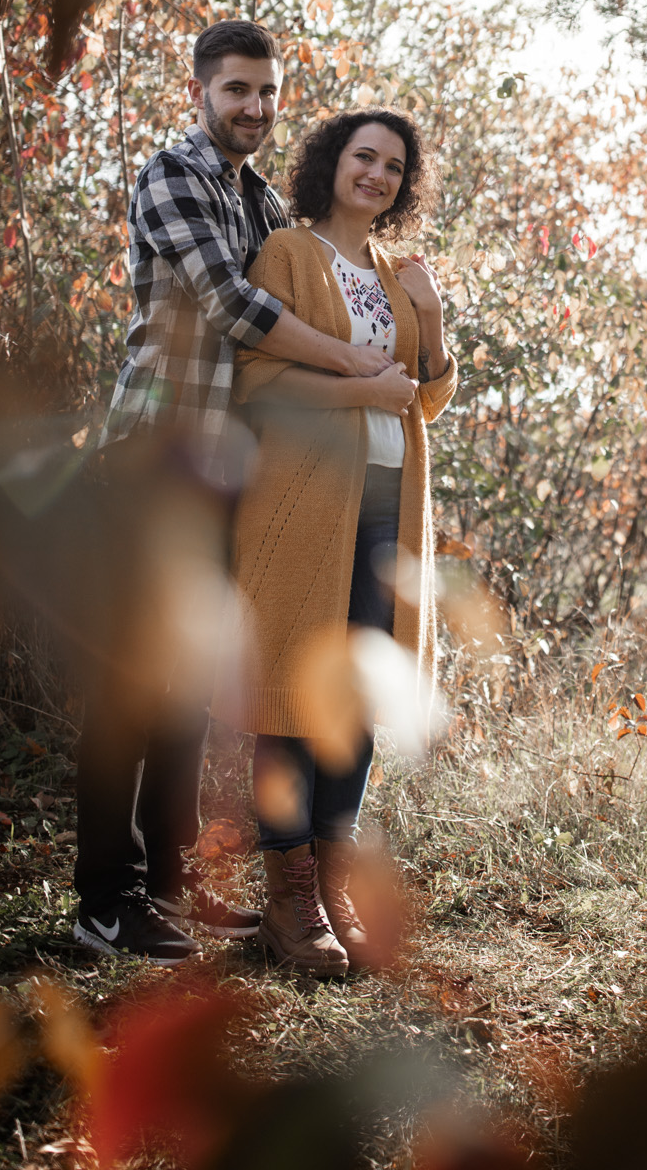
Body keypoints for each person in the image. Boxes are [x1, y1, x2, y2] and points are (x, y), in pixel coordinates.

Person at [73, 22, 401, 964]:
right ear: (200, 91)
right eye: (235, 92)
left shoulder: (257, 200)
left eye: (265, 93)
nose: (252, 108)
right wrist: (352, 361)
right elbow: (239, 309)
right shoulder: (171, 175)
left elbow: (289, 311)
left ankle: (170, 891)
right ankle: (106, 902)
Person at [228, 107, 456, 975]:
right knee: (289, 691)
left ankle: (333, 887)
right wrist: (357, 394)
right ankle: (288, 904)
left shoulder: (399, 272)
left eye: (394, 167)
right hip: (300, 504)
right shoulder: (287, 255)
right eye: (364, 157)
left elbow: (423, 400)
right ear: (331, 162)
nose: (378, 175)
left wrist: (429, 319)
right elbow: (259, 381)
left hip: (388, 508)